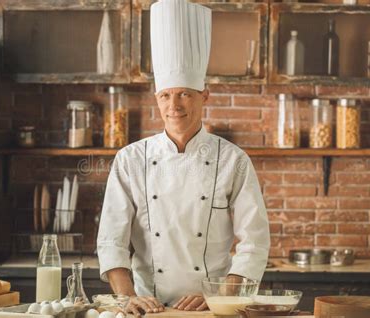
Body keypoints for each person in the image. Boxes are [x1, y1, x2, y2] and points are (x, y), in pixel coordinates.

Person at [97, 0, 270, 316]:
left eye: (185, 94)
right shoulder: (130, 159)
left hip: (210, 309)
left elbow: (255, 242)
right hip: (146, 307)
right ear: (157, 99)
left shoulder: (233, 160)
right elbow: (112, 242)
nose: (174, 104)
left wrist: (221, 295)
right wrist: (127, 298)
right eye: (166, 95)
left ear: (204, 95)